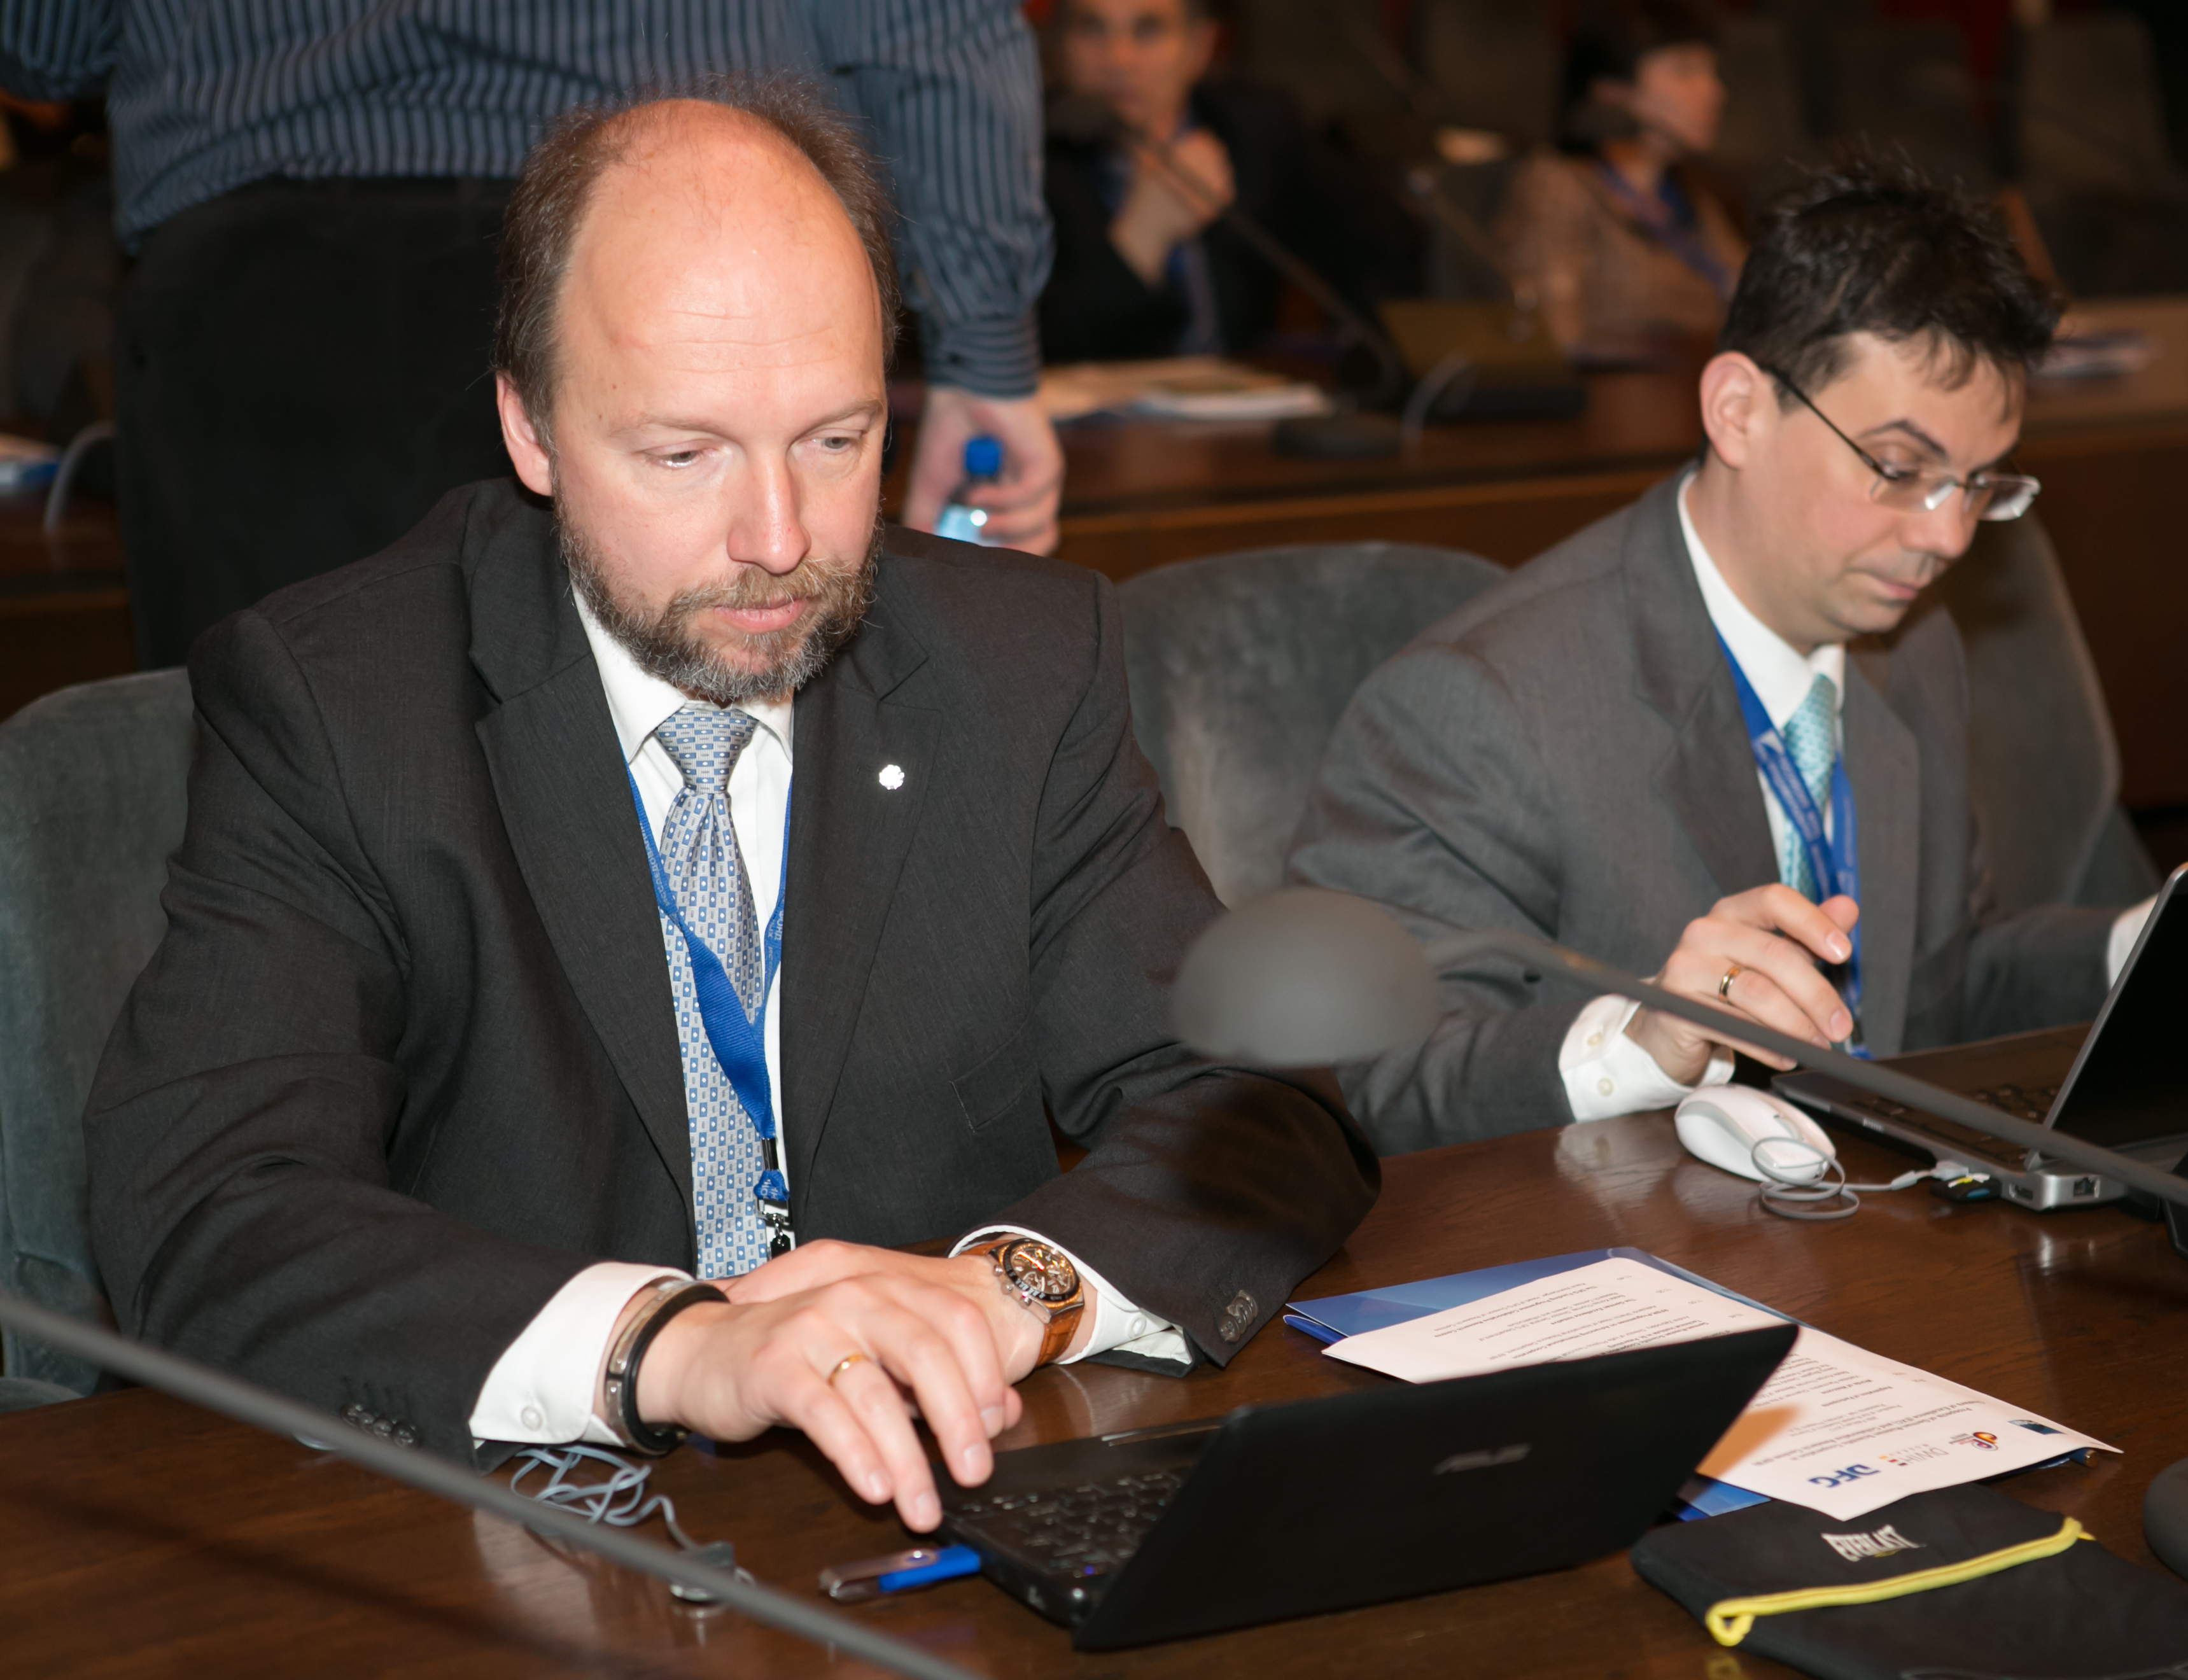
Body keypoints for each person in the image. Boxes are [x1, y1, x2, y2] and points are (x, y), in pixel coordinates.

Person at [83, 84, 1376, 1535]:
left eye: (835, 440)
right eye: (682, 455)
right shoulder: (340, 709)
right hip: (524, 1542)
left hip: (946, 1508)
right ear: (530, 429)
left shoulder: (1018, 667)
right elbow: (202, 1207)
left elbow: (1256, 1103)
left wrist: (1008, 1288)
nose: (776, 543)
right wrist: (669, 1347)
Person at [1287, 156, 2145, 1154]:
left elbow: (1937, 981)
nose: (1947, 537)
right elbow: (1368, 1078)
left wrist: (2151, 945)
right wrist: (1641, 1042)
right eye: (1902, 470)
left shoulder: (1912, 646)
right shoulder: (1479, 702)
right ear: (1737, 409)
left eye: (1979, 484)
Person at [0, 1, 1065, 671]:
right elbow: (928, 27)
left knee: (276, 817)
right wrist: (985, 352)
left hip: (264, 294)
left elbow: (43, 43)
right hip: (671, 246)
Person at [1037, 0, 1415, 364]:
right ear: (1058, 46)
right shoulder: (1026, 158)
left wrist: (1357, 368)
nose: (1118, 59)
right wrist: (1140, 240)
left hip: (1248, 415)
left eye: (1148, 29)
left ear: (1199, 48)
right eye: (1091, 29)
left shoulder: (1257, 129)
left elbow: (1387, 250)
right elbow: (1045, 348)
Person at [1496, 0, 1746, 364]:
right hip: (1615, 404)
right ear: (1611, 93)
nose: (1714, 91)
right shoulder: (1559, 185)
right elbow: (1555, 338)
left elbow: (1757, 303)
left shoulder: (1690, 194)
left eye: (1712, 72)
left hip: (1699, 392)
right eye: (1685, 71)